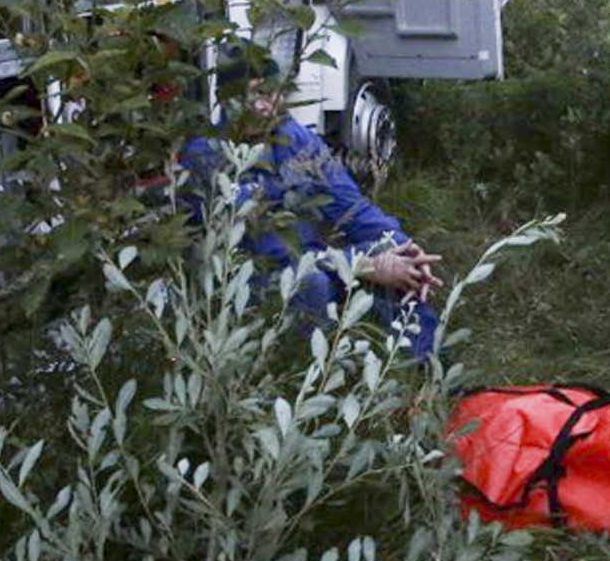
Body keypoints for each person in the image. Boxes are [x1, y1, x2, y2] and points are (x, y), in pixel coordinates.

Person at [182, 56, 445, 355]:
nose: (264, 105)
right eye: (251, 95)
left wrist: (401, 246)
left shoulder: (295, 139)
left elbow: (352, 209)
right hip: (250, 277)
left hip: (314, 258)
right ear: (226, 100)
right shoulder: (205, 157)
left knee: (395, 254)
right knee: (311, 283)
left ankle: (427, 372)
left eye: (271, 92)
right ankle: (307, 376)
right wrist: (359, 264)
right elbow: (263, 253)